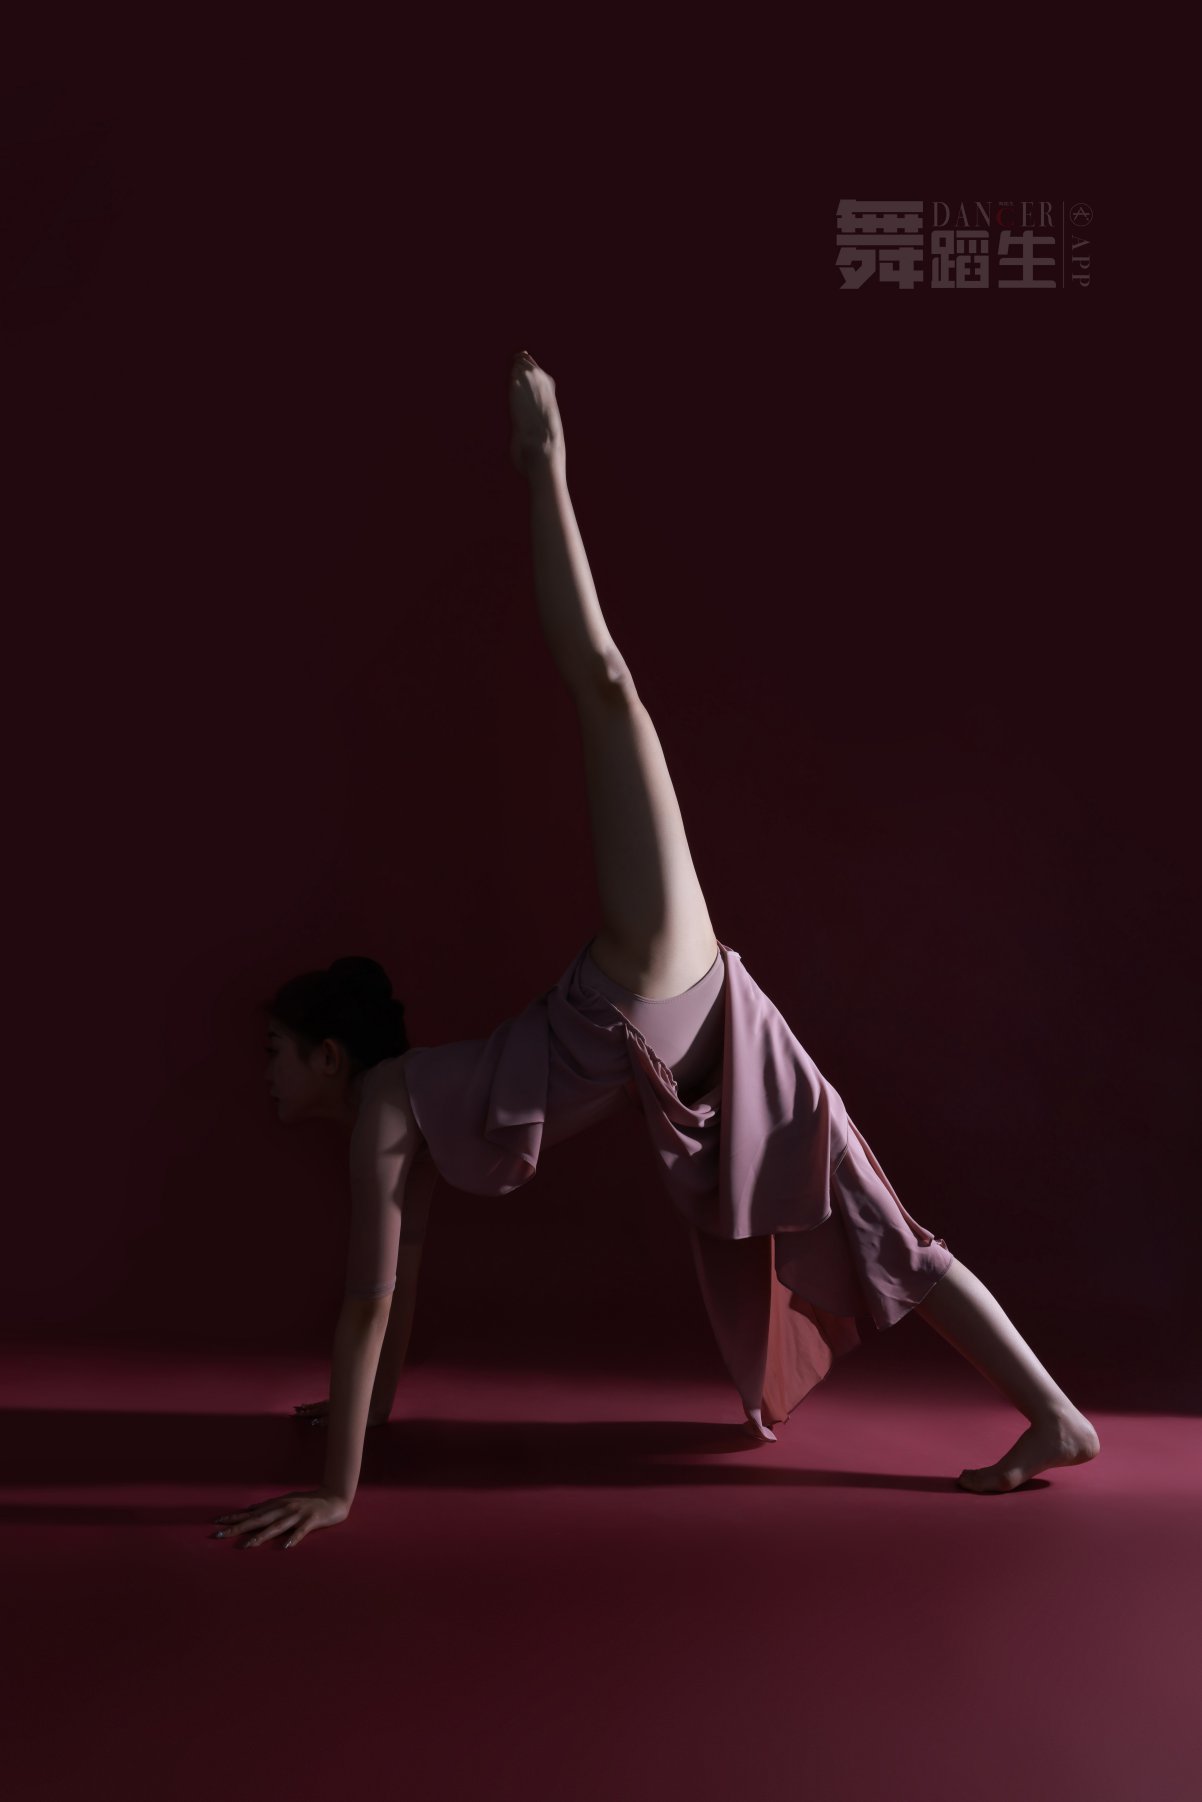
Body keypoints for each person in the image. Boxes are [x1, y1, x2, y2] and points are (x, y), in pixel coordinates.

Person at [217, 353, 1100, 1557]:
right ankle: (1055, 1414)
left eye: (276, 1053)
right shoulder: (395, 1117)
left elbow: (366, 1308)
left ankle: (545, 466)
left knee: (605, 686)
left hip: (632, 989)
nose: (265, 1075)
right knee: (883, 1223)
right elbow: (394, 1294)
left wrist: (337, 1491)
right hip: (682, 1025)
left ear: (330, 1053)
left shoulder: (382, 1101)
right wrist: (357, 1424)